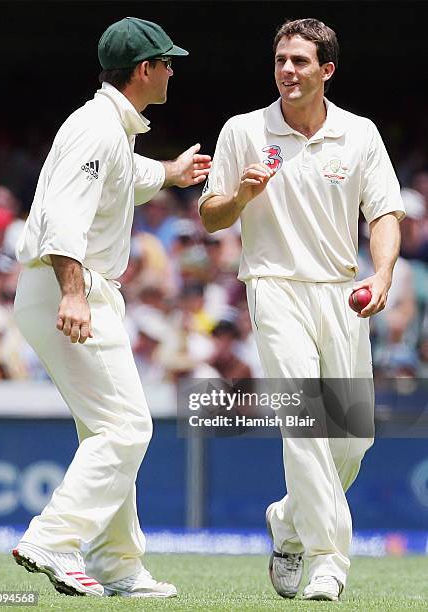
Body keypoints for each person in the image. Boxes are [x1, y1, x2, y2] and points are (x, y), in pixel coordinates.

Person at [199, 18, 404, 601]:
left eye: (300, 62)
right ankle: (327, 560)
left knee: (351, 441)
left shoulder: (359, 134)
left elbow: (384, 212)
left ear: (326, 71)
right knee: (307, 421)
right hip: (274, 286)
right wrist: (241, 194)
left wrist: (383, 272)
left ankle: (289, 522)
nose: (287, 71)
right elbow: (210, 215)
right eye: (281, 60)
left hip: (341, 293)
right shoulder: (243, 130)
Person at [12, 16, 210, 598]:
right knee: (127, 427)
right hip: (69, 287)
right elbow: (62, 217)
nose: (173, 70)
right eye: (167, 62)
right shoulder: (97, 129)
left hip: (70, 287)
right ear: (144, 70)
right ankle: (53, 537)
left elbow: (126, 177)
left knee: (107, 429)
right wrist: (74, 292)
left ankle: (118, 565)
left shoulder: (111, 130)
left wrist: (172, 173)